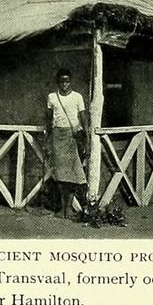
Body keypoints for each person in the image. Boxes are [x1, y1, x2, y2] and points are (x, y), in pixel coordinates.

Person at [45, 68, 87, 219]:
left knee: (73, 174)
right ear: (58, 82)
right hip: (57, 136)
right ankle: (63, 208)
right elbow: (49, 119)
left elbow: (83, 118)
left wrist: (86, 137)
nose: (65, 84)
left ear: (71, 81)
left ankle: (68, 208)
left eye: (67, 81)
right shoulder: (52, 97)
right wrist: (47, 139)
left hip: (72, 137)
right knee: (61, 175)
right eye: (62, 81)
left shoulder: (77, 97)